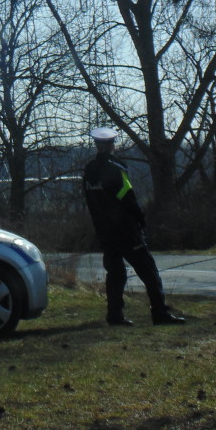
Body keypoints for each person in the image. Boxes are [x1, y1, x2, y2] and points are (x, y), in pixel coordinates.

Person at [83, 127, 185, 326]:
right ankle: (159, 313)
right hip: (126, 231)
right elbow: (128, 198)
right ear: (111, 145)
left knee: (116, 273)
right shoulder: (116, 169)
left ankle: (115, 316)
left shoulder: (88, 171)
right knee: (149, 270)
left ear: (97, 145)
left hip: (104, 231)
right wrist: (141, 219)